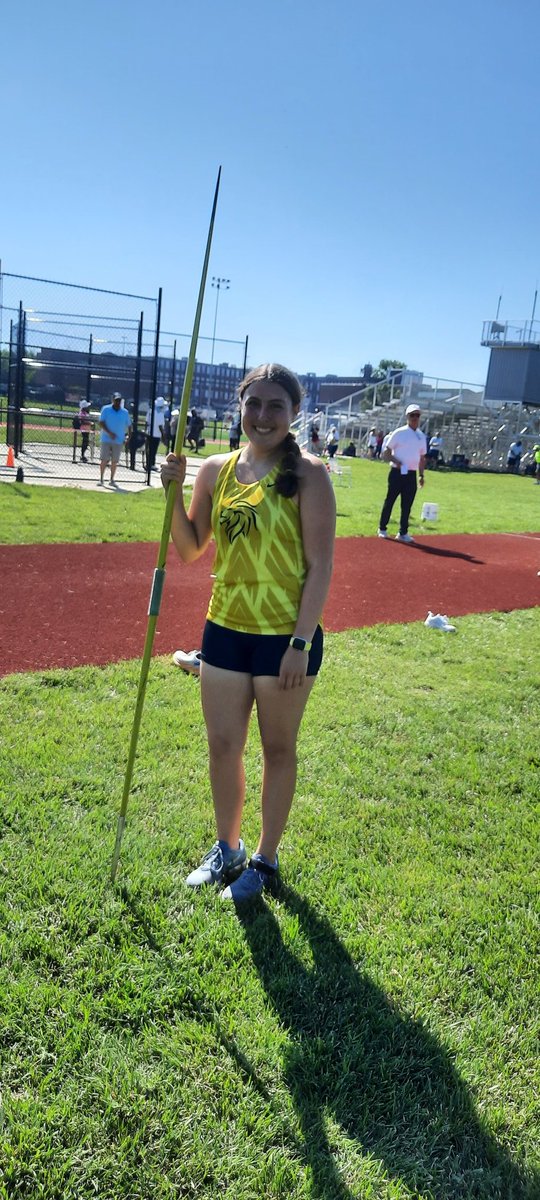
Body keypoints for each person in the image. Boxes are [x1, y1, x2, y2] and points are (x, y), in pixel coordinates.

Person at [161, 363, 336, 904]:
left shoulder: (309, 475)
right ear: (241, 406)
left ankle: (265, 859)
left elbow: (320, 565)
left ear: (294, 414)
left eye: (275, 406)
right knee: (222, 746)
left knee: (278, 748)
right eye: (253, 403)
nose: (262, 416)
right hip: (225, 628)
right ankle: (227, 848)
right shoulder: (216, 469)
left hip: (284, 637)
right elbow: (191, 549)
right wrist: (170, 492)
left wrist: (300, 643)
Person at [377, 403, 427, 542]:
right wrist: (397, 462)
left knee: (407, 504)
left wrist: (421, 475)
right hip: (397, 472)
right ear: (407, 417)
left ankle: (403, 532)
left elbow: (422, 458)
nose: (415, 418)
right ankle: (382, 528)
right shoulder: (399, 433)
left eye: (417, 415)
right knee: (390, 500)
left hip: (411, 473)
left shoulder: (421, 436)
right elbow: (386, 452)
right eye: (412, 415)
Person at [98, 392, 132, 486]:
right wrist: (109, 433)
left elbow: (129, 425)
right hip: (106, 439)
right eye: (116, 400)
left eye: (119, 400)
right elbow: (101, 422)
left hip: (118, 440)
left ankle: (112, 479)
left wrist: (128, 436)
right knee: (104, 459)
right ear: (113, 400)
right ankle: (101, 479)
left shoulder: (125, 412)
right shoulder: (106, 409)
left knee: (114, 461)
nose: (118, 402)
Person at [145, 395, 166, 470]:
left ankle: (147, 463)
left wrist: (146, 430)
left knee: (148, 449)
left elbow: (146, 422)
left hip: (149, 433)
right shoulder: (160, 413)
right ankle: (152, 464)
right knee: (153, 450)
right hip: (156, 434)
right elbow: (160, 426)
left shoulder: (150, 411)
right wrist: (163, 436)